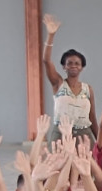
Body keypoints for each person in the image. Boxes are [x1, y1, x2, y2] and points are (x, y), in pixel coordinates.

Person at [40, 15, 96, 143]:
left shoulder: (88, 89)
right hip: (60, 134)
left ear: (82, 67)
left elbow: (92, 117)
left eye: (77, 63)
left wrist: (99, 142)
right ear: (64, 67)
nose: (73, 66)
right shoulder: (58, 83)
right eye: (69, 63)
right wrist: (51, 35)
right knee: (56, 162)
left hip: (84, 135)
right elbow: (46, 60)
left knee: (86, 163)